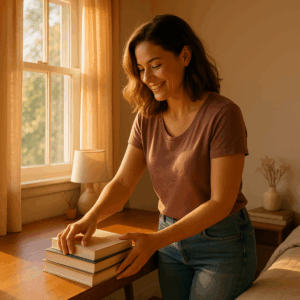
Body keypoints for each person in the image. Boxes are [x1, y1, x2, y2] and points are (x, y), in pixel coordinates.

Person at [57, 14, 257, 300]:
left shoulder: (223, 114)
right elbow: (123, 183)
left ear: (185, 56)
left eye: (156, 65)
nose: (147, 78)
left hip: (220, 244)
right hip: (169, 239)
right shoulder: (146, 118)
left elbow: (220, 202)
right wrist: (90, 218)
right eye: (140, 69)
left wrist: (155, 241)